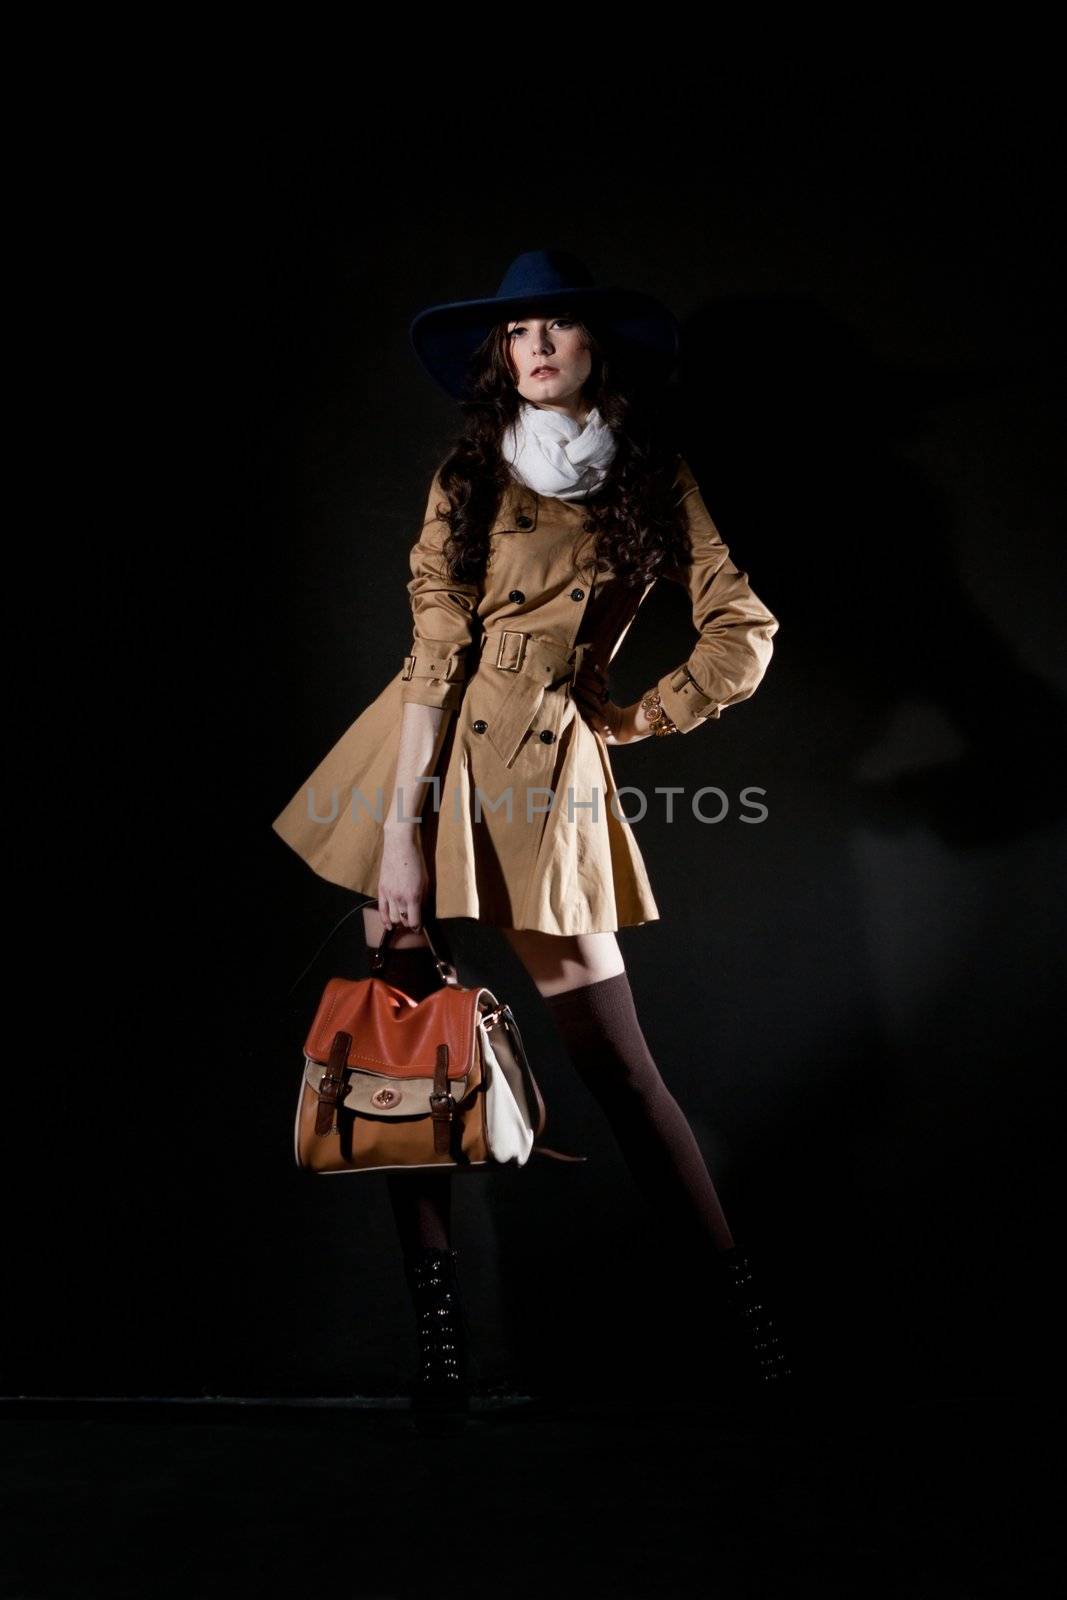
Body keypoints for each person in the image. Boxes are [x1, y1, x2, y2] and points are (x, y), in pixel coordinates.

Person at [272, 248, 792, 1415]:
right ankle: (439, 1346)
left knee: (618, 1066)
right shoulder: (468, 474)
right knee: (408, 1063)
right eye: (517, 333)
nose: (538, 345)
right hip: (427, 757)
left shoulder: (650, 478)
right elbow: (432, 650)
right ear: (498, 358)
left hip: (549, 772)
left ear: (595, 346)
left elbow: (738, 625)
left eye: (557, 326)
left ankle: (743, 1329)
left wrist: (638, 715)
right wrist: (400, 837)